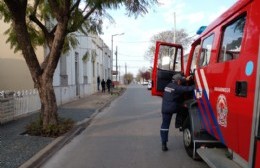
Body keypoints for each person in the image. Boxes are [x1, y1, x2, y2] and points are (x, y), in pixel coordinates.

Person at [160, 73, 194, 151]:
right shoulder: (177, 88)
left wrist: (186, 79)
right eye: (181, 81)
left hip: (164, 109)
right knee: (184, 107)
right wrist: (198, 85)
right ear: (178, 81)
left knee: (164, 126)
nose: (181, 82)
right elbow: (188, 89)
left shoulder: (168, 85)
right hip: (173, 108)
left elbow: (180, 81)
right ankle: (179, 123)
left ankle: (163, 144)